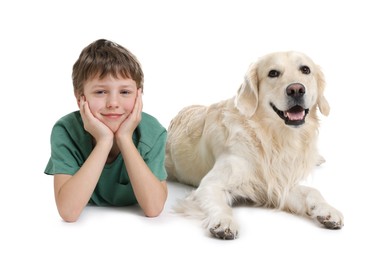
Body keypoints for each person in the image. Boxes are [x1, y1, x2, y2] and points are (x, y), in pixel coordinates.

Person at [44, 39, 168, 222]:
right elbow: (68, 213)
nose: (113, 103)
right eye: (101, 92)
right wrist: (104, 142)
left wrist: (125, 138)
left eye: (125, 92)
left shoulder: (153, 132)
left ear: (138, 96)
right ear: (80, 98)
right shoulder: (66, 131)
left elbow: (153, 208)